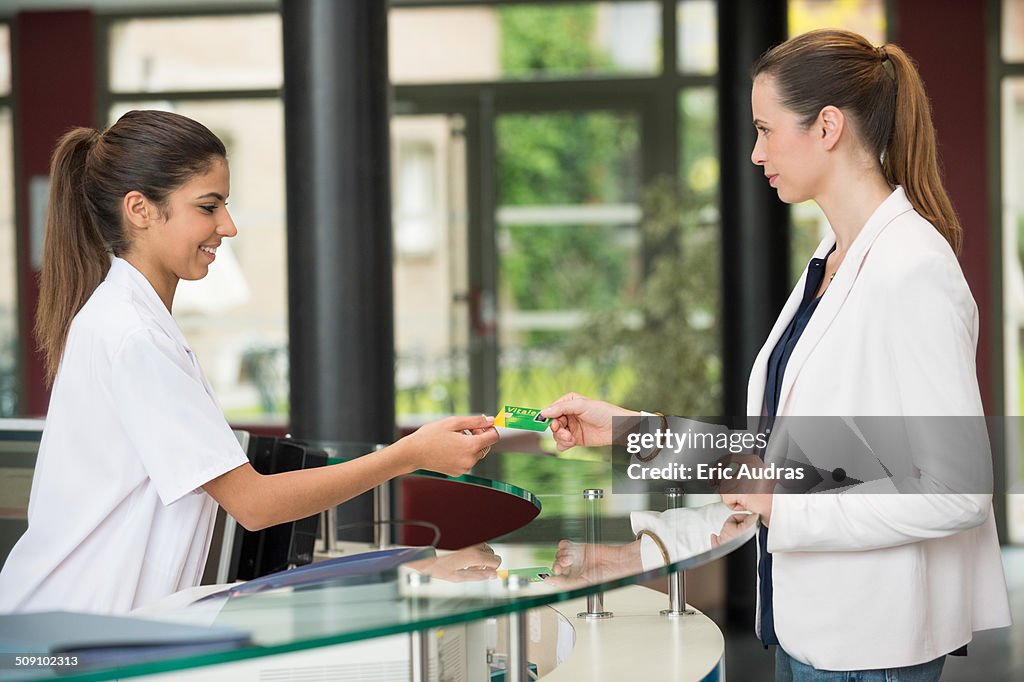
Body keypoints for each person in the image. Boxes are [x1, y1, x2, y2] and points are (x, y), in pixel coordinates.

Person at [540, 29, 1011, 681]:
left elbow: (956, 492)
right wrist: (629, 433)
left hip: (866, 654)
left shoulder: (911, 270)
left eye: (766, 129)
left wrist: (782, 505)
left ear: (827, 127)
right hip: (802, 636)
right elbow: (788, 463)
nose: (757, 152)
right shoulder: (831, 261)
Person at [0, 110, 500, 615]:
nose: (228, 226)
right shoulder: (133, 335)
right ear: (140, 209)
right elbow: (254, 504)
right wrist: (409, 454)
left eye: (226, 205)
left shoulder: (129, 321)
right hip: (66, 637)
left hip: (77, 626)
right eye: (208, 206)